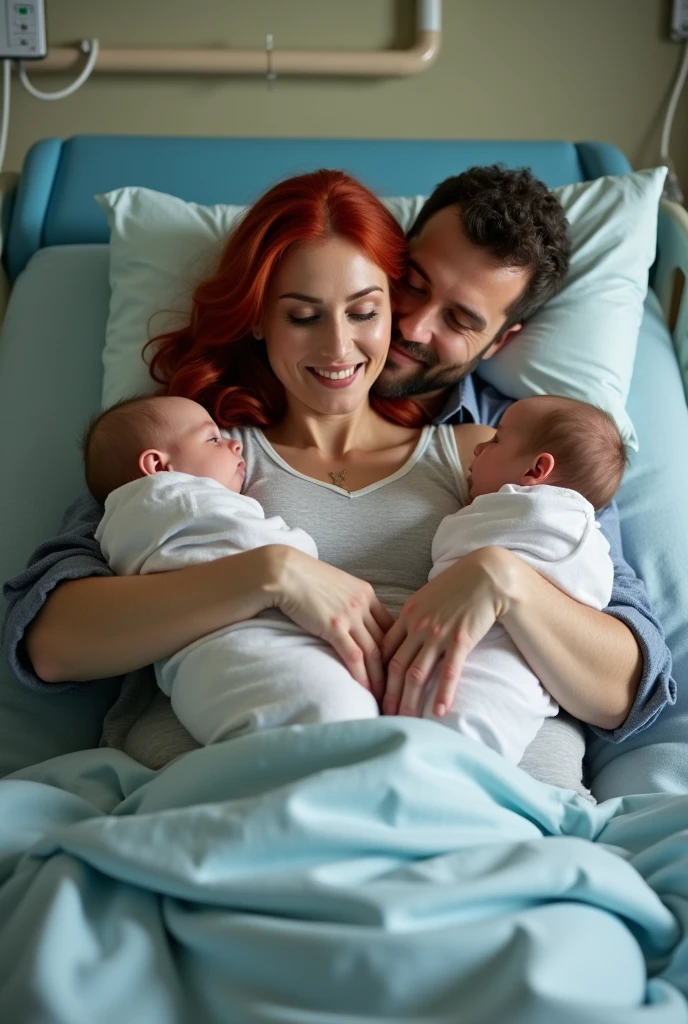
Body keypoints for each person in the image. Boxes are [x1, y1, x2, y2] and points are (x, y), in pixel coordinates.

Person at [1, 166, 673, 794]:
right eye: (303, 315)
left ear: (498, 340)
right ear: (262, 316)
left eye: (366, 311)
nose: (398, 330)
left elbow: (625, 686)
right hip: (225, 803)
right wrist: (271, 574)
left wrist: (507, 580)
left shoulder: (505, 457)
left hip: (490, 814)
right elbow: (51, 643)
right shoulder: (192, 455)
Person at [85, 394, 379, 744]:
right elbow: (273, 550)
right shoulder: (184, 499)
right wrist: (298, 554)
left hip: (194, 678)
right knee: (338, 714)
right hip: (248, 650)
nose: (234, 444)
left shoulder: (117, 527)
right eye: (212, 438)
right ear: (159, 467)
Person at [421, 394, 626, 764]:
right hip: (517, 685)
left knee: (457, 724)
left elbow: (449, 547)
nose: (481, 446)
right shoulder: (586, 537)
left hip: (493, 662)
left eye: (496, 439)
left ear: (536, 471)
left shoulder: (528, 513)